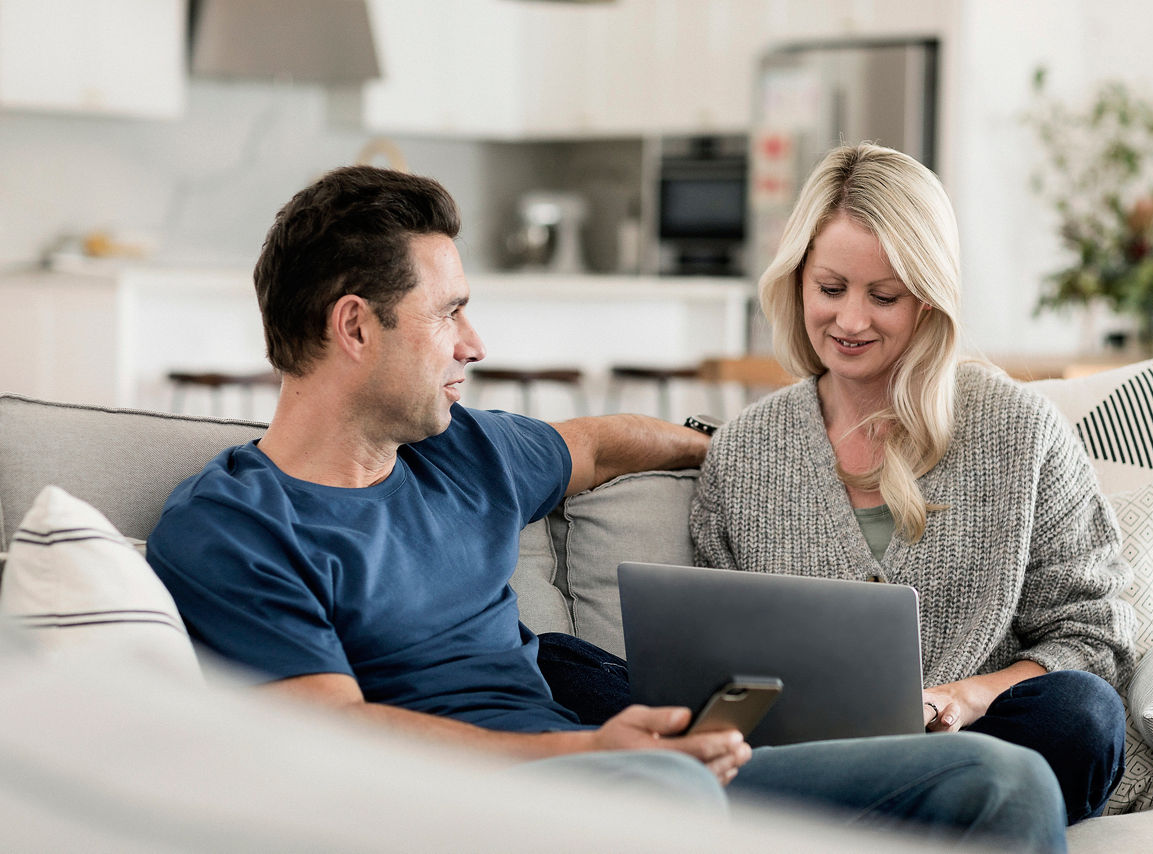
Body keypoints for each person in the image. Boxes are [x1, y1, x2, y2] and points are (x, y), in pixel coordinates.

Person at [147, 164, 1068, 852]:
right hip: (493, 805)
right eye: (449, 313)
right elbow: (333, 732)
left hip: (614, 771)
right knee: (674, 801)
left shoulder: (460, 452)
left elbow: (597, 444)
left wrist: (739, 448)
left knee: (1003, 781)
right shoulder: (236, 526)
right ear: (355, 327)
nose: (475, 342)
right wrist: (586, 756)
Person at [690, 142, 1133, 825]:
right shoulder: (744, 452)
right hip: (812, 763)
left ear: (929, 297)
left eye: (884, 296)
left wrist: (963, 697)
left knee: (1082, 714)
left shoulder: (1018, 429)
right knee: (571, 671)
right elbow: (717, 661)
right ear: (797, 280)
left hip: (983, 747)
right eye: (830, 289)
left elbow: (1093, 639)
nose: (851, 321)